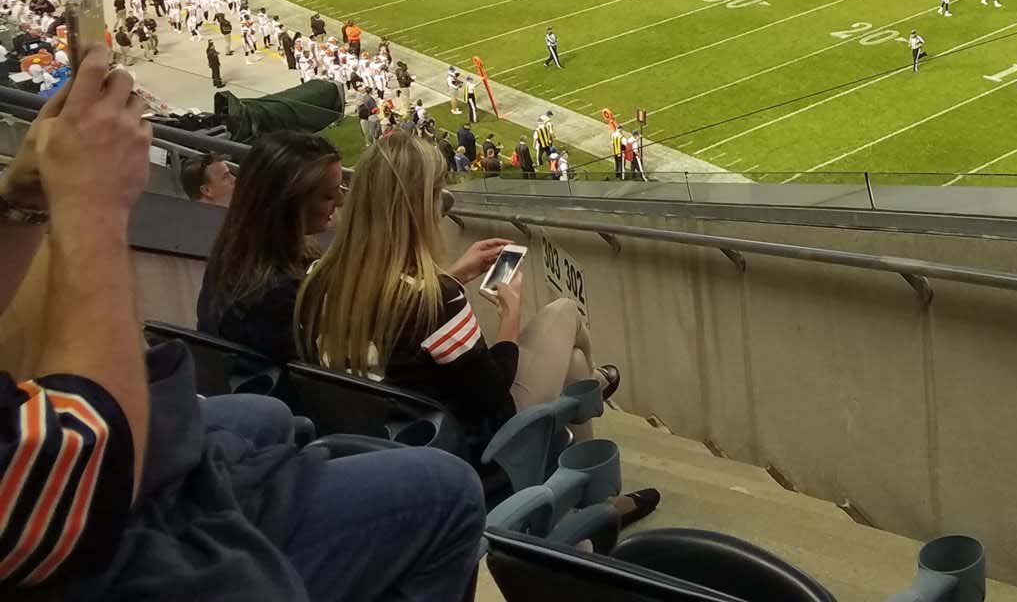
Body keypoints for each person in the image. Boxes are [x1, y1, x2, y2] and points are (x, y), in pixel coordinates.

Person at [2, 48, 488, 601]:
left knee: (268, 414)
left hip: (102, 477)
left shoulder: (260, 271)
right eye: (326, 196)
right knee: (448, 490)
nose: (336, 207)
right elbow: (90, 474)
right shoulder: (292, 295)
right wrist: (93, 207)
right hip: (114, 530)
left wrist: (26, 197)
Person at [294, 130, 628, 457]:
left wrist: (457, 274)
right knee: (565, 310)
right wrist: (510, 312)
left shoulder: (316, 278)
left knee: (574, 362)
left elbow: (389, 313)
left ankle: (592, 479)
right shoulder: (438, 302)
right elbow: (494, 399)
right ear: (420, 208)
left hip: (378, 441)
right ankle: (593, 390)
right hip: (465, 449)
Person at [197, 130, 345, 366]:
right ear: (288, 204)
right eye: (327, 195)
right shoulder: (271, 296)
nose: (340, 201)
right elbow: (316, 377)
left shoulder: (233, 257)